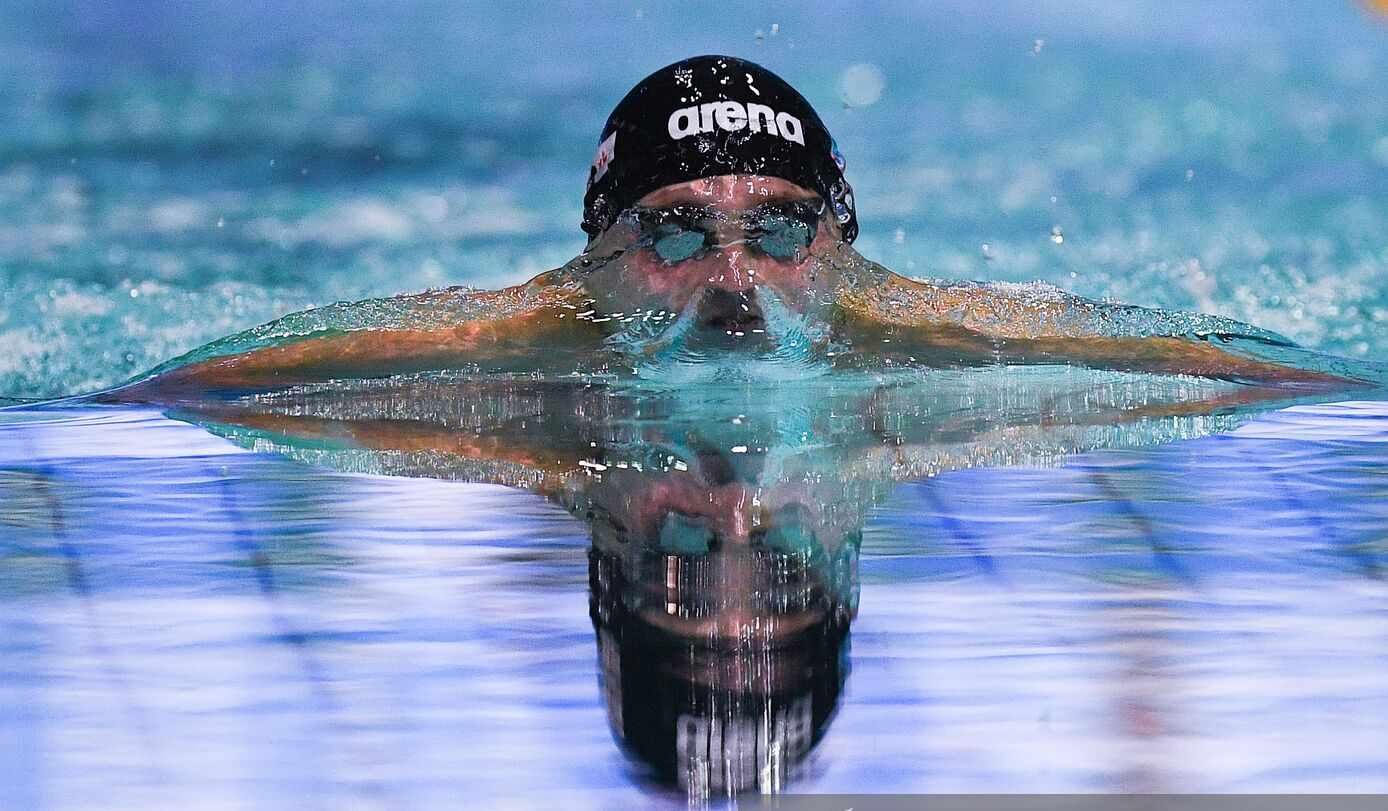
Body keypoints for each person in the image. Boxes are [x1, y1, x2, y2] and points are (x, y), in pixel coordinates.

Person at [101, 54, 1381, 403]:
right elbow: (233, 374)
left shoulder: (918, 325)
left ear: (840, 244)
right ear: (598, 253)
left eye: (779, 231)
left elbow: (1207, 360)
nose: (732, 280)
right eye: (671, 234)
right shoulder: (522, 335)